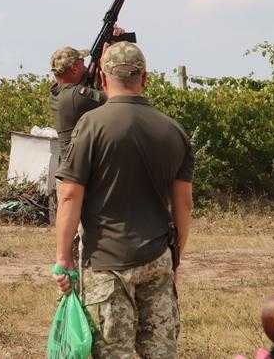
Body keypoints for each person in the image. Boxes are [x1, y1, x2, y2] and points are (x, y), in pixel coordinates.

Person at [53, 41, 194, 358]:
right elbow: (184, 204)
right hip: (158, 257)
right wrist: (176, 258)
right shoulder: (173, 130)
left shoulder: (91, 125)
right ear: (144, 78)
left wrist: (63, 258)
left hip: (107, 262)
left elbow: (70, 194)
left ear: (103, 79)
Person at [49, 26, 125, 161]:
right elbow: (116, 98)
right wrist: (107, 61)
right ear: (73, 69)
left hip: (72, 168)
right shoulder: (75, 96)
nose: (86, 68)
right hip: (79, 172)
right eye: (83, 64)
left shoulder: (57, 93)